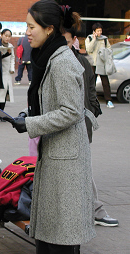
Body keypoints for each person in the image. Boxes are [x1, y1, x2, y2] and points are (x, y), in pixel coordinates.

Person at [5, 1, 96, 253]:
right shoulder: (48, 57)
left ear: (49, 29)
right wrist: (30, 115)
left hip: (66, 158)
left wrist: (31, 123)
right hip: (55, 154)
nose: (27, 32)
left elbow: (71, 111)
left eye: (32, 27)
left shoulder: (62, 61)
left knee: (61, 237)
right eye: (26, 26)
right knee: (51, 234)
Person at [63, 28, 119, 227]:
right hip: (54, 128)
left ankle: (95, 210)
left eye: (67, 41)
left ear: (74, 41)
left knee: (81, 166)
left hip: (78, 125)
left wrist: (92, 111)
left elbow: (90, 91)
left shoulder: (81, 62)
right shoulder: (48, 61)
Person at [85, 22, 114, 108]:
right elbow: (89, 49)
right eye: (98, 31)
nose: (99, 33)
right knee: (91, 83)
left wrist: (105, 53)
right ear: (94, 31)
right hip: (92, 63)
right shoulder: (89, 38)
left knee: (105, 83)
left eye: (100, 31)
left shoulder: (104, 39)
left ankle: (109, 100)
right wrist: (94, 39)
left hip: (102, 63)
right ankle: (90, 101)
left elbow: (109, 49)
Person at [0, 28, 15, 121]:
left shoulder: (10, 46)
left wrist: (12, 68)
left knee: (4, 94)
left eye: (9, 36)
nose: (7, 38)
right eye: (5, 35)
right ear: (2, 35)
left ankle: (1, 114)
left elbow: (12, 58)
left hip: (7, 73)